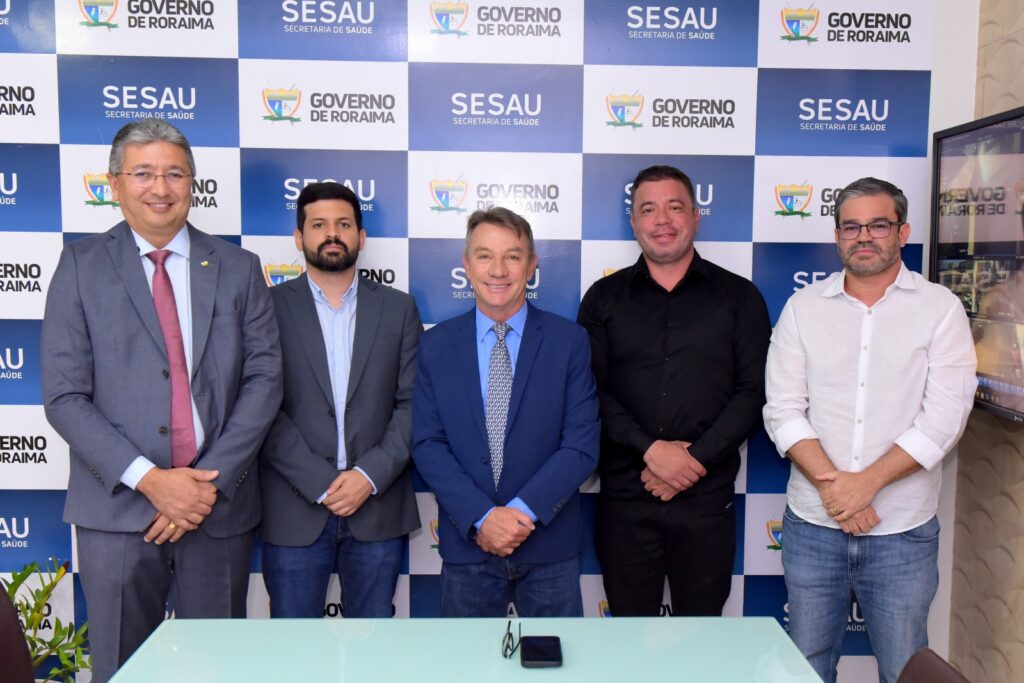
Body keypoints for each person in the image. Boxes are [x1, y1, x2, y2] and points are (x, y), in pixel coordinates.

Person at [41, 119, 282, 682]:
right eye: (143, 173)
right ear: (114, 183)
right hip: (117, 512)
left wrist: (203, 487)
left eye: (175, 174)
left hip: (214, 508)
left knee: (217, 671)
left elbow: (265, 379)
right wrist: (151, 480)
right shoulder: (79, 266)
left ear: (192, 184)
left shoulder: (239, 267)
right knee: (122, 670)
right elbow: (64, 395)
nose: (160, 187)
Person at [764, 177, 977, 683]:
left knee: (905, 669)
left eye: (878, 225)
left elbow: (944, 417)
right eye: (851, 226)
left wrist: (866, 485)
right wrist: (839, 493)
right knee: (807, 666)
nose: (864, 237)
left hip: (902, 531)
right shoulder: (803, 309)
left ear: (902, 232)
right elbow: (783, 410)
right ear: (837, 236)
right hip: (814, 527)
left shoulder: (940, 308)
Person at [577, 165, 770, 617]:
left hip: (705, 500)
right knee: (629, 639)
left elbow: (753, 392)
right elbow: (589, 390)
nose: (662, 220)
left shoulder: (740, 297)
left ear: (696, 216)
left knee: (701, 638)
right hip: (626, 500)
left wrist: (693, 459)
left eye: (674, 207)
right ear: (633, 222)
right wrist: (652, 451)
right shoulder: (602, 299)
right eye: (648, 209)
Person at [412, 207, 599, 617]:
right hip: (469, 545)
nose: (498, 270)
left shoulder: (569, 342)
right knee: (466, 657)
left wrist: (518, 515)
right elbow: (428, 444)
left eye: (512, 256)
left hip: (549, 546)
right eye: (484, 256)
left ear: (531, 266)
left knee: (553, 656)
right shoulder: (436, 345)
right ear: (466, 265)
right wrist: (483, 518)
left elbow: (581, 447)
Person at [258, 182, 421, 618]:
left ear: (361, 237)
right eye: (318, 225)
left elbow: (413, 405)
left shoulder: (399, 309)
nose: (332, 234)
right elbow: (259, 407)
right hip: (293, 507)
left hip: (377, 506)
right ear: (299, 238)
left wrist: (368, 476)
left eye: (344, 224)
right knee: (294, 647)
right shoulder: (265, 307)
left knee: (374, 644)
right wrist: (320, 481)